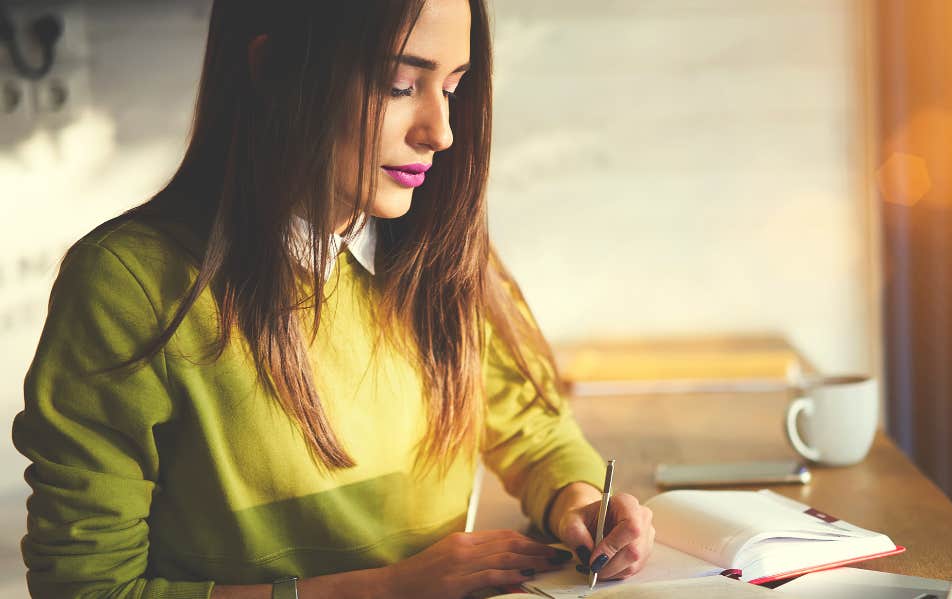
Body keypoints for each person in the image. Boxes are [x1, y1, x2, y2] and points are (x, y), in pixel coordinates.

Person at [12, 1, 655, 597]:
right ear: (273, 70)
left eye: (453, 87)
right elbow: (89, 589)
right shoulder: (128, 284)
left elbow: (533, 431)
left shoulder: (446, 253)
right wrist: (388, 588)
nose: (442, 132)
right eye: (400, 85)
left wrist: (579, 503)